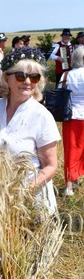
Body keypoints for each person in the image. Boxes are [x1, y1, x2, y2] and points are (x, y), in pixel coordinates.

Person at [0, 47, 61, 214]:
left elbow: (50, 165)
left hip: (30, 205)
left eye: (34, 77)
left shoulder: (42, 116)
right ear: (6, 78)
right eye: (21, 76)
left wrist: (24, 191)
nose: (27, 82)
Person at [58, 46, 84, 196]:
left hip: (71, 116)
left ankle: (69, 185)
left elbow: (60, 92)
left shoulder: (66, 75)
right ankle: (76, 177)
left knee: (71, 149)